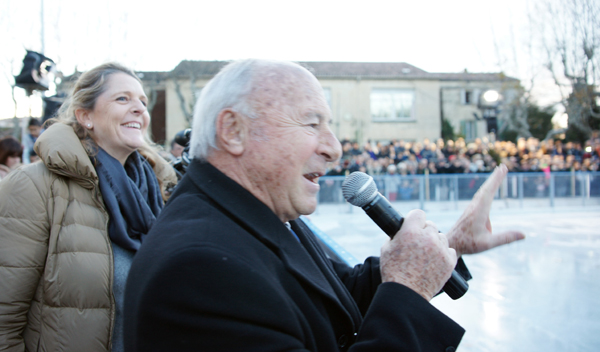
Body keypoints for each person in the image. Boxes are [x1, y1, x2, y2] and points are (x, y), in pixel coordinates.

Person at [124, 59, 525, 352]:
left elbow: (336, 295)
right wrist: (408, 290)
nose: (334, 148)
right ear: (233, 130)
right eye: (312, 123)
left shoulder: (256, 212)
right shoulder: (198, 269)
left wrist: (444, 247)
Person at [0, 62, 177, 352]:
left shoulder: (160, 191)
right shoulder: (34, 186)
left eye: (143, 102)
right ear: (86, 116)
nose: (139, 109)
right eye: (123, 98)